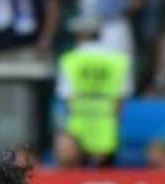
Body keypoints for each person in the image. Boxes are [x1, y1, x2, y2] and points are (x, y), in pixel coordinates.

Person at [56, 17, 132, 166]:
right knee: (106, 183)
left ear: (80, 35)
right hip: (107, 132)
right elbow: (120, 102)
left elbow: (68, 99)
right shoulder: (118, 61)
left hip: (78, 132)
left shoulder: (70, 60)